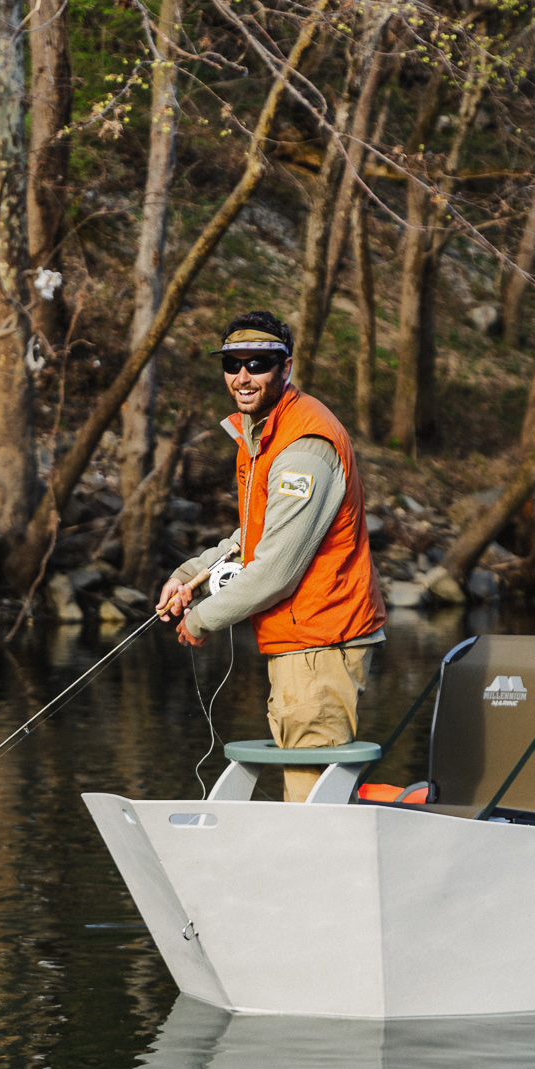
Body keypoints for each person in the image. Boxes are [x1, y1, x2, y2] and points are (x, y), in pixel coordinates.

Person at [158, 311, 387, 801]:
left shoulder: (304, 446)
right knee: (305, 795)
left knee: (311, 801)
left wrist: (200, 619)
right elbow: (258, 532)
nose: (242, 376)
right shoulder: (260, 429)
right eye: (232, 364)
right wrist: (192, 573)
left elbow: (276, 571)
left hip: (322, 641)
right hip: (299, 643)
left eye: (258, 363)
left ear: (285, 368)